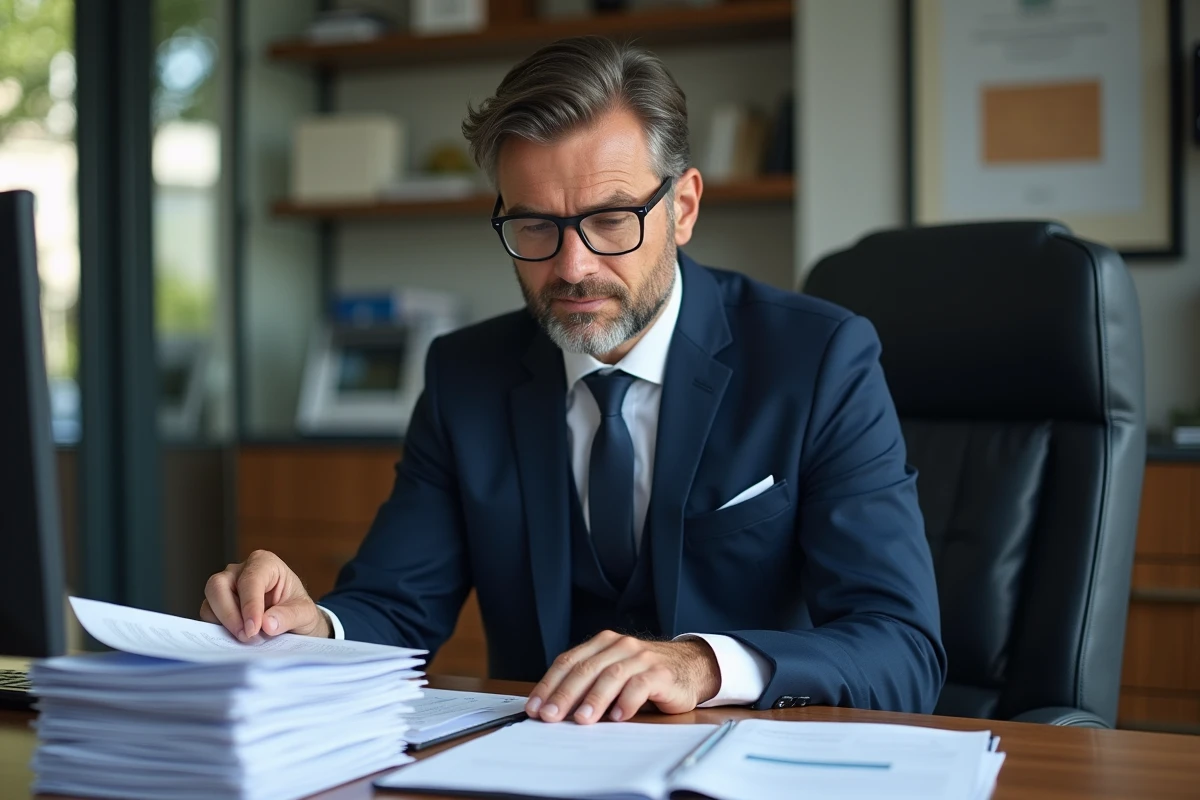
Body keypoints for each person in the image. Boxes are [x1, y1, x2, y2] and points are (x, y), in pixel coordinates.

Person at [203, 36, 946, 724]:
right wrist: (311, 627)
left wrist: (704, 664)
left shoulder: (818, 361)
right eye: (534, 226)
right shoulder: (466, 376)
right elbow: (395, 608)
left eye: (612, 219)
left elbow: (903, 646)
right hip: (536, 766)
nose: (572, 266)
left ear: (682, 208)